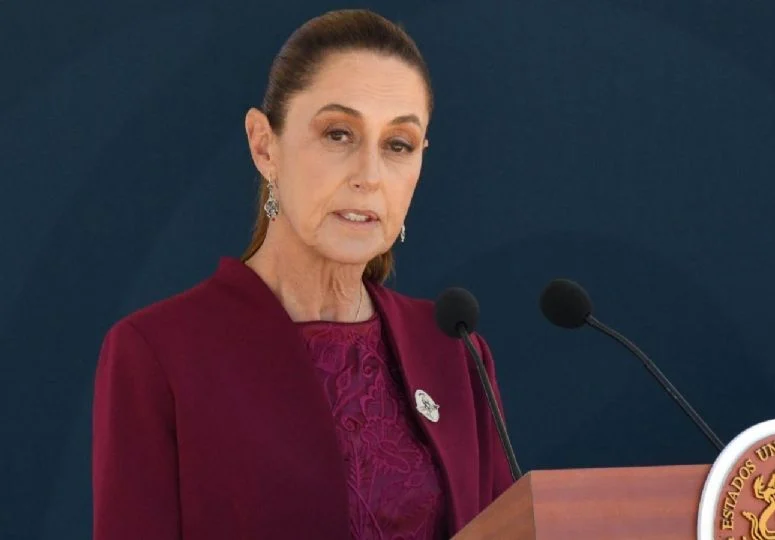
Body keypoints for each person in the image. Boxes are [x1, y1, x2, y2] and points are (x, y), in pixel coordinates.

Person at [92, 9, 515, 540]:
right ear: (264, 145)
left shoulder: (453, 351)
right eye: (338, 134)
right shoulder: (158, 352)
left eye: (398, 144)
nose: (369, 176)